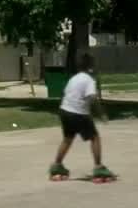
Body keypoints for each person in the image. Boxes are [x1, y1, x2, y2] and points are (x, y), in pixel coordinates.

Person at [49, 52, 117, 183]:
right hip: (78, 113)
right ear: (90, 66)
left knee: (67, 139)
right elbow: (93, 98)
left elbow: (65, 94)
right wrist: (101, 113)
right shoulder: (89, 80)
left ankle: (56, 166)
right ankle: (98, 167)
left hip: (65, 110)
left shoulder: (74, 78)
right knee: (95, 138)